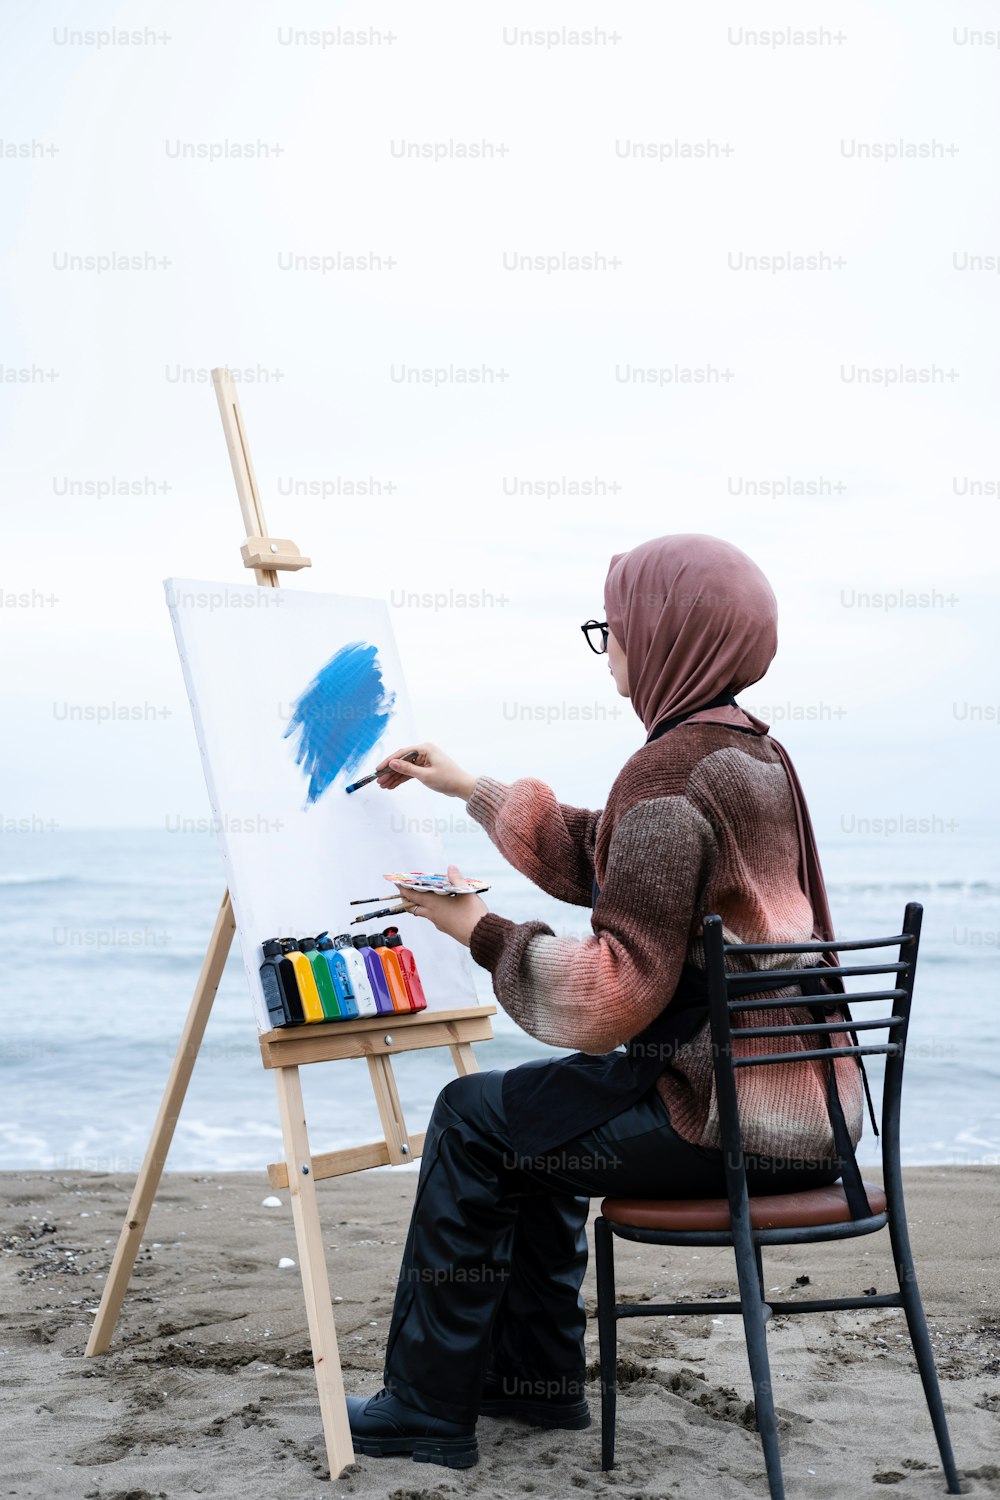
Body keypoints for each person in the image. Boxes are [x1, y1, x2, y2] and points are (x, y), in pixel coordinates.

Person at [345, 532, 863, 1470]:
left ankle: (425, 1408)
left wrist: (476, 928)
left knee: (475, 1117)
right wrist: (471, 787)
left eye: (613, 627)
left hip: (722, 1122)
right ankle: (530, 1386)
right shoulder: (755, 758)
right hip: (811, 1116)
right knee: (538, 1114)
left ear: (668, 635)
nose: (610, 647)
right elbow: (616, 860)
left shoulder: (669, 772)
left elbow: (606, 998)